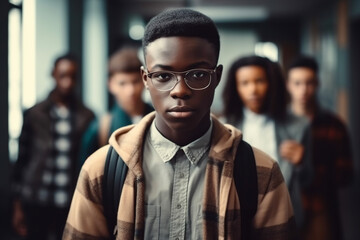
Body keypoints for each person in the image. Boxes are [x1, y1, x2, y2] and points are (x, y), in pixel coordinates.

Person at [63, 9, 295, 240]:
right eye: (163, 76)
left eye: (197, 75)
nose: (180, 90)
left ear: (217, 77)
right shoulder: (100, 171)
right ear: (146, 79)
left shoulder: (261, 173)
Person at [222, 55, 312, 229]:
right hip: (237, 214)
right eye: (245, 83)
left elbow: (309, 180)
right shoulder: (224, 128)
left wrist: (301, 162)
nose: (253, 89)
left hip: (282, 213)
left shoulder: (299, 126)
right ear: (236, 87)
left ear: (272, 83)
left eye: (260, 81)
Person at [11, 54, 95, 240]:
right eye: (63, 75)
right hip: (36, 199)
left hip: (70, 201)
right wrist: (17, 206)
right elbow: (22, 161)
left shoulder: (87, 116)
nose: (67, 82)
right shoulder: (34, 114)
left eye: (72, 77)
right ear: (53, 75)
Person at [286, 55, 353, 240]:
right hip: (284, 206)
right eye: (297, 83)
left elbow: (346, 175)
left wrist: (309, 164)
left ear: (317, 84)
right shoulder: (278, 124)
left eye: (309, 83)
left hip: (320, 206)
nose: (303, 90)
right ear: (288, 85)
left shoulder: (333, 125)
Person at [78, 46, 154, 169]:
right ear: (111, 85)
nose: (131, 90)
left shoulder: (158, 118)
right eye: (122, 83)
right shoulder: (101, 127)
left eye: (135, 81)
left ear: (144, 79)